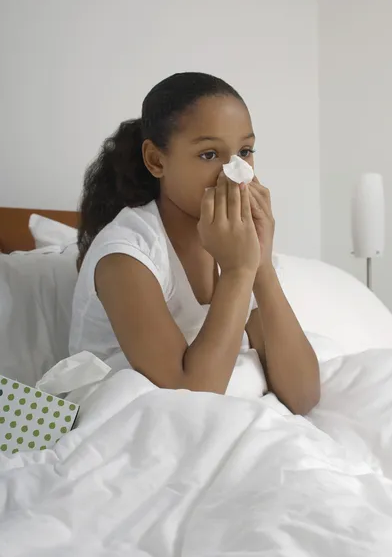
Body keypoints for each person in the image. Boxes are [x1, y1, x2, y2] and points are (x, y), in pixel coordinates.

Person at [69, 72, 320, 415]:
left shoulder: (236, 244)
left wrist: (259, 266)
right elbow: (190, 401)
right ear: (156, 160)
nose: (235, 173)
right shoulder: (125, 255)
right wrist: (237, 271)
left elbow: (303, 395)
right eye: (209, 155)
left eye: (245, 151)